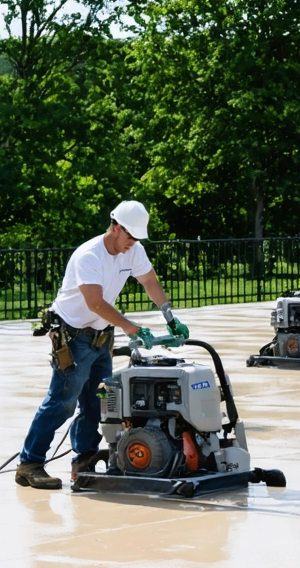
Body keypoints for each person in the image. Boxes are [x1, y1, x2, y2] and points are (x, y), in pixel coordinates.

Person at [16, 201, 189, 490]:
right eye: (130, 237)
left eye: (136, 239)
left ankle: (84, 459)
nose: (132, 244)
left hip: (100, 337)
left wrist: (169, 315)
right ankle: (29, 463)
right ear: (116, 227)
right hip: (72, 336)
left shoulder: (133, 250)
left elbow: (149, 281)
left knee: (98, 404)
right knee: (62, 402)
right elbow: (94, 302)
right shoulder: (89, 256)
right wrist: (132, 327)